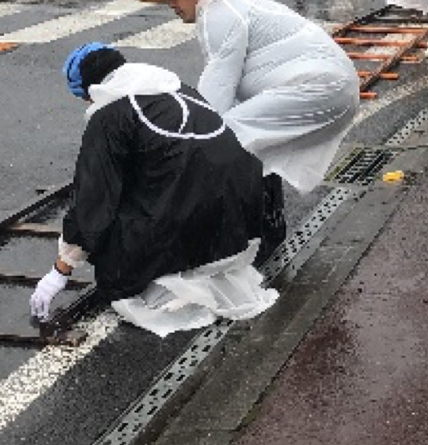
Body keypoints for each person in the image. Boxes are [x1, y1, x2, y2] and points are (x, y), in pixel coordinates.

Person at [133, 0, 361, 260]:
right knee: (247, 144)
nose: (171, 4)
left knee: (223, 145)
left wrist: (181, 144)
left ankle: (244, 235)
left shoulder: (219, 12)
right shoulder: (231, 7)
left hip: (315, 86)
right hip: (331, 86)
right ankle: (266, 227)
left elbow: (217, 91)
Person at [29, 45, 276, 334]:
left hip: (195, 224)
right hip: (241, 223)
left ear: (90, 90)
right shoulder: (179, 88)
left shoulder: (109, 115)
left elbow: (94, 201)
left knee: (113, 268)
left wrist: (60, 271)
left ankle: (172, 283)